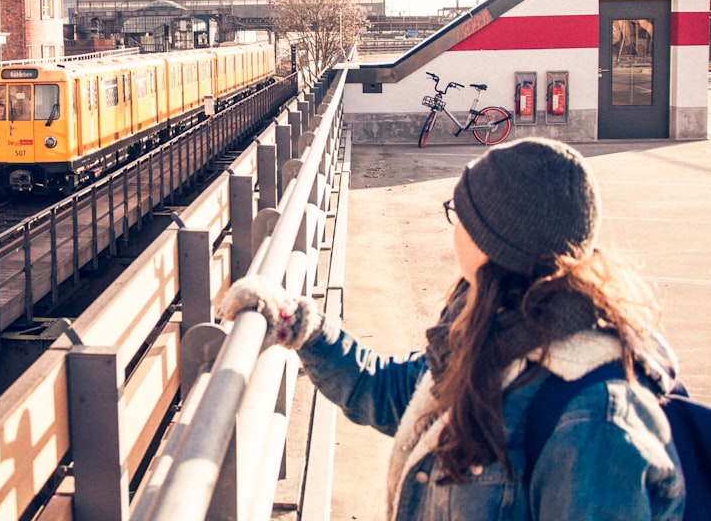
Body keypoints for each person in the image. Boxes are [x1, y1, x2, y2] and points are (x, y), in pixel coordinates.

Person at [220, 137, 685, 520]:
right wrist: (301, 326)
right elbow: (397, 393)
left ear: (491, 243)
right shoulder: (492, 331)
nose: (453, 225)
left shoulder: (595, 421)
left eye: (459, 213)